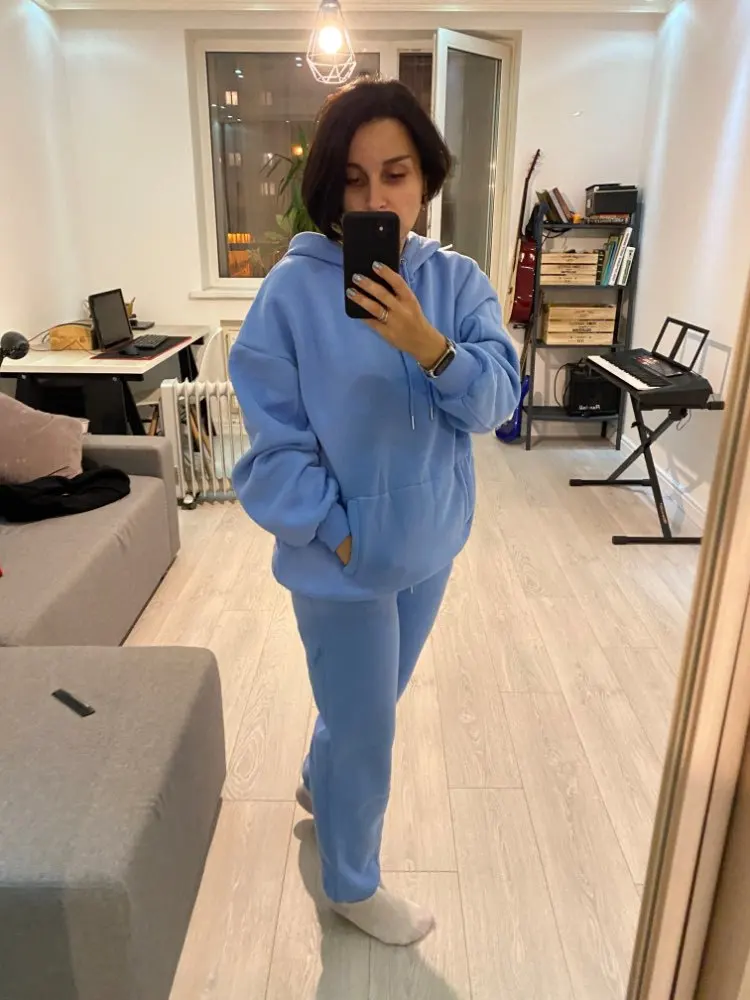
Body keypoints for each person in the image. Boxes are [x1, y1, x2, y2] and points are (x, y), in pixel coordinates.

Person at [229, 77, 521, 946]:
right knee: (367, 729)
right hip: (342, 563)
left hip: (430, 546)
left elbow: (496, 404)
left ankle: (318, 781)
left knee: (368, 703)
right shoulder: (290, 295)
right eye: (354, 180)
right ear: (331, 188)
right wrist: (341, 535)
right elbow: (274, 449)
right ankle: (353, 884)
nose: (377, 198)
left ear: (425, 178)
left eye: (396, 174)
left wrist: (430, 347)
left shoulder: (458, 282)